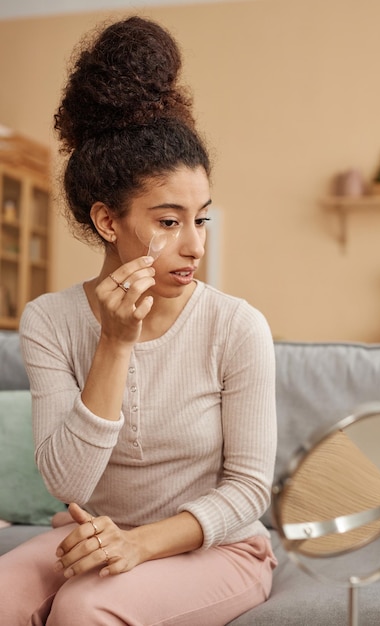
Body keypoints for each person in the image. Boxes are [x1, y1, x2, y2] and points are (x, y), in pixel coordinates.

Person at [0, 15, 277, 626]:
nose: (194, 246)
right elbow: (68, 484)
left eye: (200, 219)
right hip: (96, 531)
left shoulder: (237, 327)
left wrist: (139, 543)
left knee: (85, 607)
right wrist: (114, 342)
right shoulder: (50, 321)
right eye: (168, 221)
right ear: (107, 222)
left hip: (217, 546)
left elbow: (252, 489)